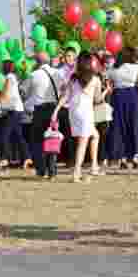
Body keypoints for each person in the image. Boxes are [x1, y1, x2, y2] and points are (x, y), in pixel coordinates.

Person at [54, 52, 109, 182]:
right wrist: (106, 91)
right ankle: (76, 172)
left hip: (73, 112)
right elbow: (98, 99)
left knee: (95, 135)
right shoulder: (95, 79)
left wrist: (55, 111)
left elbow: (65, 96)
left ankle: (94, 166)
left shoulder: (73, 78)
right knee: (82, 143)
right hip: (86, 113)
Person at [106, 47, 138, 169]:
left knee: (119, 127)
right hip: (132, 97)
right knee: (134, 126)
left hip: (117, 98)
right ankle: (135, 158)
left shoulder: (113, 69)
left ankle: (122, 159)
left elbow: (109, 88)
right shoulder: (137, 68)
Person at [26, 52, 63, 177]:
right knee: (52, 139)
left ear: (37, 62)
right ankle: (52, 170)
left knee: (37, 140)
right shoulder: (57, 73)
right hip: (54, 109)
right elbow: (63, 90)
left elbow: (26, 92)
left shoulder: (33, 75)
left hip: (39, 110)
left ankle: (41, 169)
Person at [0, 60, 30, 174]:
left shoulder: (9, 77)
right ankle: (27, 158)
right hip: (14, 109)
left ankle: (4, 161)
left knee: (4, 135)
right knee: (18, 135)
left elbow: (5, 92)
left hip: (13, 110)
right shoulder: (13, 77)